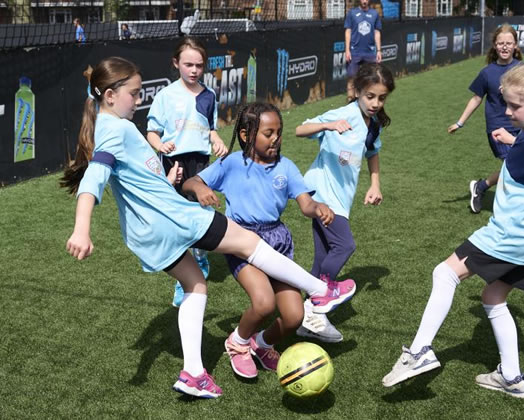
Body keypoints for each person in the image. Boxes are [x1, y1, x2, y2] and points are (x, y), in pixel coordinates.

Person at [60, 56, 356, 399]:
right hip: (173, 219)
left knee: (195, 284)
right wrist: (81, 229)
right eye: (135, 93)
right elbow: (95, 177)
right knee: (247, 241)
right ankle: (320, 291)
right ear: (110, 95)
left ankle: (194, 373)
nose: (139, 100)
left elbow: (133, 175)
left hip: (147, 233)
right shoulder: (115, 128)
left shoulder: (108, 125)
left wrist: (163, 177)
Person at [383, 57, 524, 398]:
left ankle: (419, 352)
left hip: (511, 235)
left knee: (444, 273)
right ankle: (512, 377)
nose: (507, 111)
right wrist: (513, 141)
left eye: (513, 106)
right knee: (493, 298)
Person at [182, 102, 339, 378]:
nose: (276, 139)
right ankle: (238, 343)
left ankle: (262, 343)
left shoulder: (286, 167)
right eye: (269, 133)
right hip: (241, 241)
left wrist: (318, 208)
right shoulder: (231, 163)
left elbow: (305, 204)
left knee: (294, 317)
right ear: (246, 135)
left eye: (279, 132)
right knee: (264, 303)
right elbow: (190, 183)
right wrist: (200, 188)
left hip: (277, 241)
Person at [295, 62, 394, 343]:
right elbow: (300, 130)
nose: (375, 103)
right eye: (370, 96)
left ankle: (307, 318)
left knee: (321, 257)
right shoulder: (342, 115)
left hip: (341, 198)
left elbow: (372, 152)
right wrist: (328, 125)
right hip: (320, 193)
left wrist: (375, 184)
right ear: (357, 91)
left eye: (381, 97)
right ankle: (320, 297)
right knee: (345, 245)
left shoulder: (373, 124)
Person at [146, 37, 228, 307]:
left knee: (200, 214)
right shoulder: (165, 96)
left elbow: (210, 128)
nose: (194, 70)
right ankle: (184, 280)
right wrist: (162, 145)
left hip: (200, 162)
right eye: (188, 64)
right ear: (176, 64)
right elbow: (151, 133)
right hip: (174, 164)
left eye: (199, 65)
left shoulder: (209, 95)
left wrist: (216, 140)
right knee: (176, 218)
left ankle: (200, 263)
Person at [447, 23, 523, 214]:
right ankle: (508, 203)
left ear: (515, 45)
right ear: (495, 46)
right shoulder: (487, 72)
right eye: (501, 43)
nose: (505, 46)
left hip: (520, 125)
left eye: (509, 43)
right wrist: (460, 122)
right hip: (497, 126)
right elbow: (476, 98)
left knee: (517, 165)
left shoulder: (523, 69)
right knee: (513, 164)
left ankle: (481, 187)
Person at [344, 0, 382, 102]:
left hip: (369, 53)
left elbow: (377, 32)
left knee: (372, 79)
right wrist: (347, 50)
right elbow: (348, 31)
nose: (364, 1)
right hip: (354, 52)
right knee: (352, 78)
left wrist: (378, 50)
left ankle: (369, 104)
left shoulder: (374, 14)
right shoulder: (352, 13)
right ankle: (350, 102)